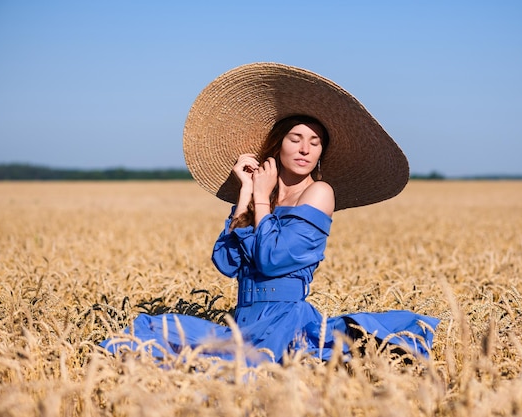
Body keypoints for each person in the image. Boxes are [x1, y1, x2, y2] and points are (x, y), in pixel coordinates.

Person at [100, 63, 440, 365]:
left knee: (237, 374)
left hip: (285, 325)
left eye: (315, 141)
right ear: (277, 145)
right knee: (147, 331)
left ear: (322, 152)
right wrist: (246, 193)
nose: (305, 148)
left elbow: (273, 259)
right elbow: (226, 262)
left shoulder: (319, 193)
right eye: (295, 138)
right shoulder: (263, 195)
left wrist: (260, 199)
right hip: (242, 322)